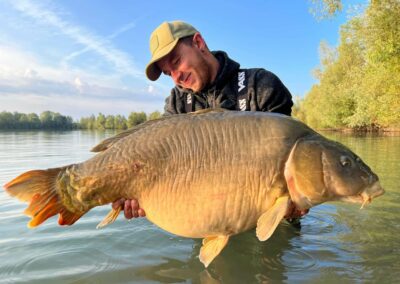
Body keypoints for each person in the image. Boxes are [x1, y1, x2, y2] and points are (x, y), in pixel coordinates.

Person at [112, 20, 308, 221]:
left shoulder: (260, 86)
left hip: (269, 218)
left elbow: (291, 164)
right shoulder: (177, 106)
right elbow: (156, 163)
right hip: (208, 219)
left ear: (198, 43)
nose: (176, 77)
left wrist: (297, 197)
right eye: (168, 73)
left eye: (177, 61)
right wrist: (136, 193)